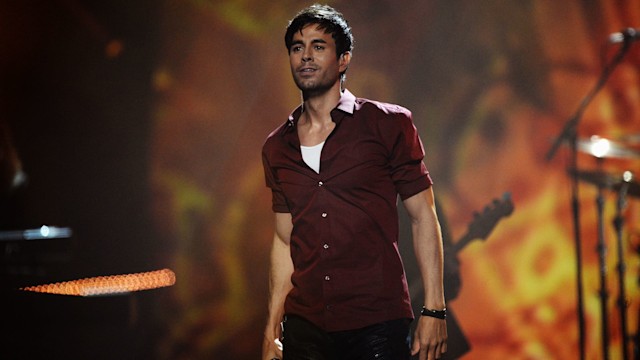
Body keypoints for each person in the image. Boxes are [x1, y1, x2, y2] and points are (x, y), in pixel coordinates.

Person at [261, 4, 447, 360]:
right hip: (305, 327)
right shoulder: (276, 146)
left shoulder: (388, 124)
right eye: (297, 47)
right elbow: (285, 240)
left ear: (344, 59)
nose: (306, 56)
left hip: (376, 323)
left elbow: (423, 216)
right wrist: (271, 329)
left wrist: (435, 309)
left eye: (319, 46)